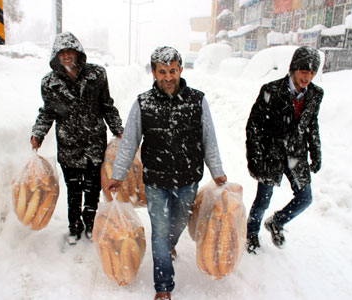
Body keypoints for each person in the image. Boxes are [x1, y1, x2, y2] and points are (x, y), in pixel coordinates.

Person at [107, 46, 227, 300]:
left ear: (181, 70)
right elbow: (129, 142)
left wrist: (217, 171)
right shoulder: (143, 103)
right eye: (162, 72)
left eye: (173, 71)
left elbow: (209, 140)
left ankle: (170, 245)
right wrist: (117, 175)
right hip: (156, 182)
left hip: (188, 180)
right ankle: (163, 286)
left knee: (179, 223)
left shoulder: (197, 100)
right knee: (159, 232)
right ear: (153, 73)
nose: (168, 77)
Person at [31, 32, 124, 245]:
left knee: (92, 190)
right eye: (61, 53)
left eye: (70, 51)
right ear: (56, 56)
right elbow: (47, 112)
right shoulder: (49, 83)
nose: (66, 56)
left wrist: (118, 129)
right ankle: (74, 226)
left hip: (93, 144)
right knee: (73, 190)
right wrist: (38, 133)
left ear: (78, 53)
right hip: (68, 146)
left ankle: (90, 223)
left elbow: (106, 105)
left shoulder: (96, 75)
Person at [245, 46, 324, 254]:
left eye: (312, 72)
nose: (307, 77)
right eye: (303, 71)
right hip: (271, 152)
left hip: (296, 153)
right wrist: (255, 157)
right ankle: (251, 232)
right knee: (263, 198)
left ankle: (276, 222)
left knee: (305, 198)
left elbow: (311, 124)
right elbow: (254, 126)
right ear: (293, 69)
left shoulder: (315, 94)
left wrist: (315, 152)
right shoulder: (271, 90)